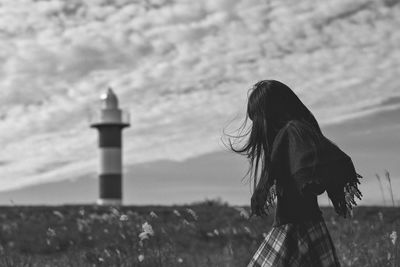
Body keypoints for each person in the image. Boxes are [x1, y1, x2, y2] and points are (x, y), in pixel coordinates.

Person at [227, 80, 362, 267]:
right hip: (306, 225)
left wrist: (307, 180)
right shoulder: (292, 133)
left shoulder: (292, 132)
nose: (257, 126)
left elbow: (309, 168)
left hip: (295, 229)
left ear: (270, 112)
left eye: (257, 117)